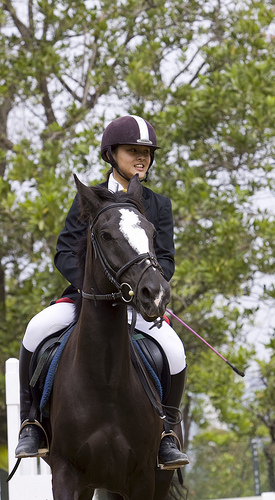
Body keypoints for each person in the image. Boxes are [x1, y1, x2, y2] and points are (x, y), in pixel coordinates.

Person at [15, 114, 189, 469]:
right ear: (111, 154)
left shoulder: (158, 205)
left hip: (136, 304)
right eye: (132, 151)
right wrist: (91, 287)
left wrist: (142, 288)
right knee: (35, 330)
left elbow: (165, 260)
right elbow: (64, 250)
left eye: (147, 153)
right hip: (89, 301)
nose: (142, 159)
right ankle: (31, 423)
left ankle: (167, 433)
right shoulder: (89, 198)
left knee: (174, 349)